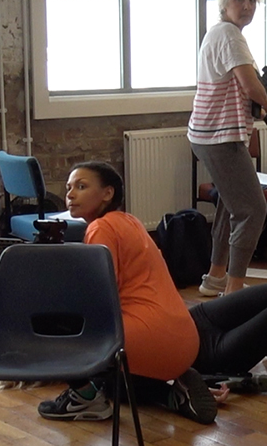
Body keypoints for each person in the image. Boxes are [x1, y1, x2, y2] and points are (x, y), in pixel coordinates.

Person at [37, 162, 218, 425]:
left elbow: (99, 298)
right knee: (109, 379)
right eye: (68, 188)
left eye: (81, 186)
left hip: (145, 339)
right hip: (185, 342)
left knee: (45, 316)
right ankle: (173, 396)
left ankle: (84, 398)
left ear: (108, 193)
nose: (70, 194)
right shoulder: (129, 220)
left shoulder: (100, 228)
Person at [189, 0, 267, 297]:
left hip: (212, 134)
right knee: (253, 209)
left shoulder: (225, 34)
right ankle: (234, 290)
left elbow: (251, 101)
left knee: (231, 204)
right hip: (218, 136)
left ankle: (215, 278)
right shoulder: (229, 35)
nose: (247, 5)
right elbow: (251, 87)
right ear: (223, 3)